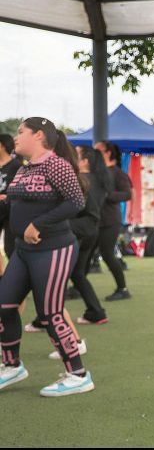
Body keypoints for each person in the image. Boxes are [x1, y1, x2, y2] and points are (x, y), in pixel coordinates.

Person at [0, 119, 94, 397]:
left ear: (38, 135)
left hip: (54, 249)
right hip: (24, 250)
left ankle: (78, 375)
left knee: (50, 313)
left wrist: (38, 224)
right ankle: (12, 366)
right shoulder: (26, 167)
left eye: (21, 132)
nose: (16, 138)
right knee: (4, 305)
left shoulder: (57, 165)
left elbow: (76, 202)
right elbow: (20, 199)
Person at [68, 145, 112, 325]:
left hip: (80, 231)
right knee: (77, 274)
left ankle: (44, 318)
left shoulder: (83, 180)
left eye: (76, 155)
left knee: (69, 274)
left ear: (85, 161)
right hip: (90, 231)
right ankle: (95, 311)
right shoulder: (99, 180)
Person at [94, 141, 132, 301]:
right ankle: (77, 285)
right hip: (95, 219)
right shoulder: (98, 172)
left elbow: (127, 194)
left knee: (107, 254)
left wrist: (107, 195)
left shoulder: (117, 173)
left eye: (97, 151)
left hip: (110, 220)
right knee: (85, 253)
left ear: (108, 153)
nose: (93, 154)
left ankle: (122, 288)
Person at [0, 133, 22, 271]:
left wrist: (6, 196)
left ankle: (18, 280)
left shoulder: (16, 166)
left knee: (10, 248)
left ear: (2, 146)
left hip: (11, 212)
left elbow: (18, 190)